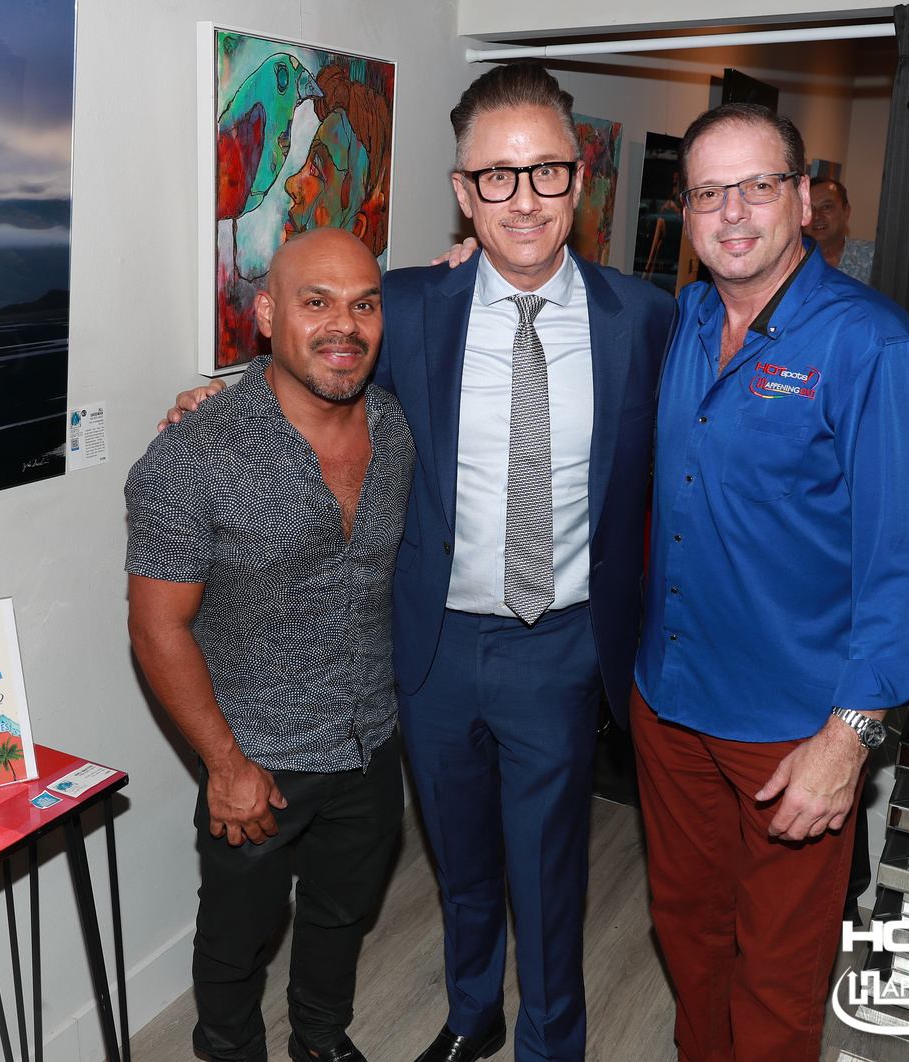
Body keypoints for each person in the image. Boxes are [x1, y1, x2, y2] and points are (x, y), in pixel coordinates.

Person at [165, 63, 673, 1062]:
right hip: (430, 650)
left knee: (548, 876)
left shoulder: (645, 320)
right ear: (462, 192)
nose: (522, 199)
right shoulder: (406, 307)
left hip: (559, 646)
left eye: (545, 172)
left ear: (578, 179)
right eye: (495, 177)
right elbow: (313, 362)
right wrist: (215, 400)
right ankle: (473, 1015)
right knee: (461, 862)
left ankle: (551, 1047)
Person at [631, 103, 909, 1061]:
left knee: (779, 968)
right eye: (708, 193)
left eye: (758, 186)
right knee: (688, 929)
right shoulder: (687, 318)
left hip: (791, 730)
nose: (733, 213)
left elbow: (905, 570)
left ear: (803, 199)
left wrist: (849, 740)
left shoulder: (875, 349)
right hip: (669, 702)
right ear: (686, 212)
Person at [126, 227, 412, 1062]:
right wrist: (226, 766)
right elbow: (156, 626)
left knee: (342, 913)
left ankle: (320, 1039)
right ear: (265, 314)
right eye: (316, 302)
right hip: (257, 756)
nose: (344, 325)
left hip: (369, 736)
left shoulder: (395, 428)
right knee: (236, 938)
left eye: (364, 304)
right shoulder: (192, 457)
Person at [804, 176, 874, 283]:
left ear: (846, 212)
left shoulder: (873, 258)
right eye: (810, 209)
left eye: (827, 207)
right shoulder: (787, 265)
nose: (817, 216)